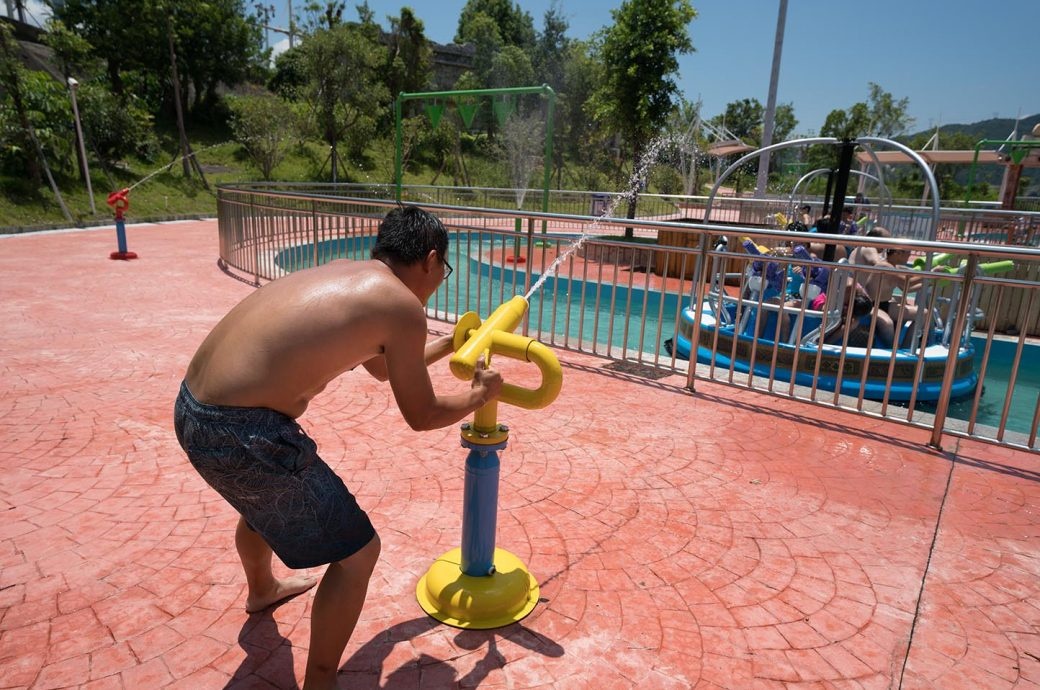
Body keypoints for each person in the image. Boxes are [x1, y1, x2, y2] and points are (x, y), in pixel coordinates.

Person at [173, 206, 503, 690]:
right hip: (244, 432)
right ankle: (321, 683)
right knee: (358, 554)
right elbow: (423, 415)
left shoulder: (344, 272)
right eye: (444, 270)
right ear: (432, 260)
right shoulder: (402, 306)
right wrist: (480, 394)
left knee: (262, 500)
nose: (439, 280)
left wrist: (449, 344)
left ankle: (262, 589)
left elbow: (382, 366)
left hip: (190, 411)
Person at [848, 226, 924, 347]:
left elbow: (906, 286)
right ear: (875, 240)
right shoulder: (868, 248)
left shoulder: (864, 252)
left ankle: (901, 346)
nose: (887, 246)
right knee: (887, 322)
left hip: (867, 298)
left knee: (902, 302)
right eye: (886, 241)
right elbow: (878, 263)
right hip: (864, 301)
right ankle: (893, 351)